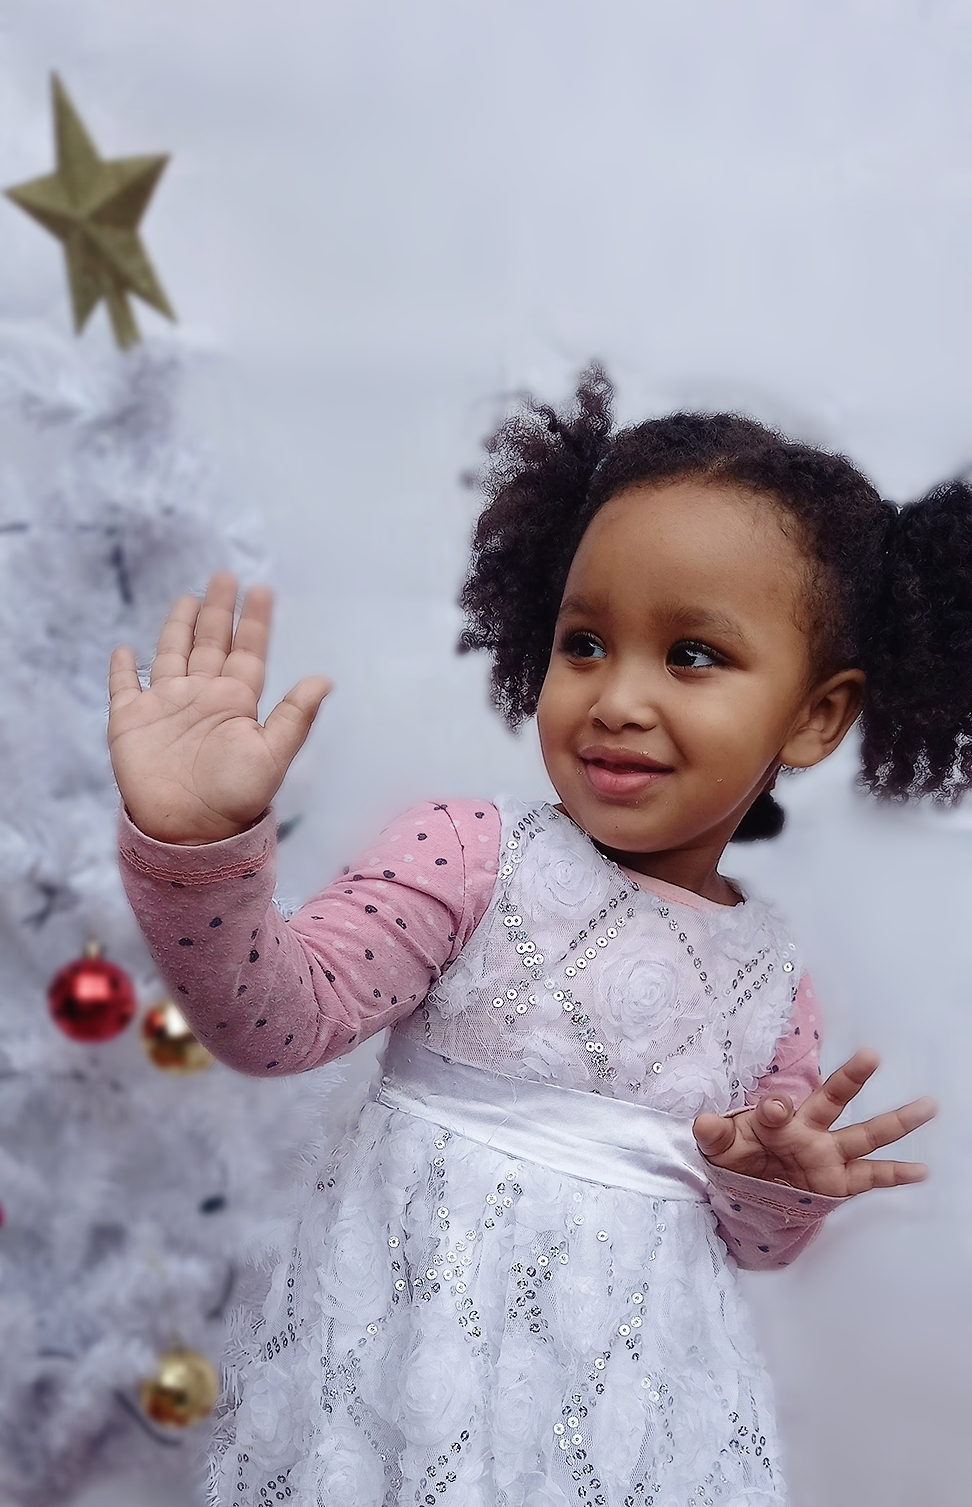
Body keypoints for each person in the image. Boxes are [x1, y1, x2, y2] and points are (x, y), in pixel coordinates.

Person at [109, 368, 951, 1507]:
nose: (616, 698)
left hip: (624, 1426)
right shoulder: (470, 857)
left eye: (692, 654)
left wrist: (774, 1182)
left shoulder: (772, 979)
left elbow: (753, 1241)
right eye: (585, 641)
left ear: (815, 715)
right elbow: (275, 1023)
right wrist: (197, 843)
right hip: (403, 1385)